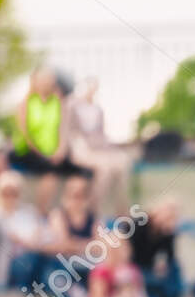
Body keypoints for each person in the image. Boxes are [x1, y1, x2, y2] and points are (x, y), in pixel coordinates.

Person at [9, 66, 84, 213]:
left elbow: (63, 130)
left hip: (53, 153)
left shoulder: (58, 102)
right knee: (51, 172)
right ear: (35, 81)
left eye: (49, 79)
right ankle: (41, 213)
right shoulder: (26, 103)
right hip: (28, 151)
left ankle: (76, 214)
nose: (47, 82)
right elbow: (26, 136)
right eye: (43, 79)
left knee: (80, 171)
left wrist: (60, 150)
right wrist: (46, 155)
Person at [65, 77, 131, 213]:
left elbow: (102, 135)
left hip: (99, 149)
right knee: (105, 168)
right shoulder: (71, 105)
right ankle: (93, 209)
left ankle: (122, 209)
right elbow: (69, 132)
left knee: (123, 162)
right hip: (81, 150)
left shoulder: (98, 109)